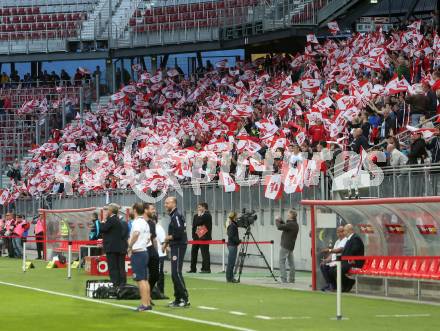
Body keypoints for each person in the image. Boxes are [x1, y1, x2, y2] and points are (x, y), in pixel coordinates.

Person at [163, 197, 190, 308]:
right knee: (174, 273)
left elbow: (179, 232)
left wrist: (168, 237)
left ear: (174, 203)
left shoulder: (176, 215)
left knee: (176, 272)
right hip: (175, 245)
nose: (165, 205)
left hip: (178, 246)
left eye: (167, 203)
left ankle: (184, 298)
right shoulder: (174, 215)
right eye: (165, 203)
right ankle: (178, 298)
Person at [127, 202, 152, 312]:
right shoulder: (145, 222)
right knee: (145, 279)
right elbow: (148, 238)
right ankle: (147, 303)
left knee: (140, 279)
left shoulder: (137, 222)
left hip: (138, 253)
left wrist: (130, 246)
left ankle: (144, 304)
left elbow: (136, 234)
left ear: (135, 210)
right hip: (144, 251)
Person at [330, 224, 365, 292]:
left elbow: (354, 250)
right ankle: (348, 282)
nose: (344, 233)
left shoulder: (355, 238)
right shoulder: (349, 239)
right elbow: (346, 252)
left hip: (355, 262)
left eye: (344, 231)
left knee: (337, 270)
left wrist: (345, 260)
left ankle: (346, 284)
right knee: (332, 270)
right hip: (348, 261)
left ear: (349, 231)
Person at [100, 203, 127, 287]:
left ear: (111, 211)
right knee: (119, 266)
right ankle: (120, 282)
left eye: (107, 210)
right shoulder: (118, 220)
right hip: (118, 247)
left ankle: (115, 282)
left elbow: (103, 229)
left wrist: (103, 221)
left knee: (112, 266)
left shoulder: (111, 220)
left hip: (111, 247)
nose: (106, 211)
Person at [320, 226, 347, 291]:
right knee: (323, 265)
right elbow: (332, 253)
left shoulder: (345, 240)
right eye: (337, 232)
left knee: (331, 269)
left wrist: (329, 250)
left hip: (341, 260)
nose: (338, 234)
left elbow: (339, 250)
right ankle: (329, 284)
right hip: (334, 261)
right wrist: (327, 260)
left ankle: (334, 285)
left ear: (344, 232)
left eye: (340, 232)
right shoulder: (337, 241)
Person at [275, 209, 299, 283]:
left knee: (281, 262)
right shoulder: (294, 224)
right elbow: (285, 226)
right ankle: (292, 279)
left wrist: (277, 220)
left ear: (292, 215)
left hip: (285, 246)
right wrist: (281, 220)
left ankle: (284, 279)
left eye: (288, 214)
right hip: (290, 246)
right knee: (291, 264)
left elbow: (280, 227)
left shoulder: (291, 224)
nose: (287, 215)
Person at [189, 202, 212, 273]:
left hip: (204, 237)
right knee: (193, 252)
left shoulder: (207, 215)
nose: (198, 208)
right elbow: (194, 225)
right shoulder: (196, 215)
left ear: (204, 208)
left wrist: (199, 216)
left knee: (204, 253)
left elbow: (199, 222)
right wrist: (193, 235)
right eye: (198, 207)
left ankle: (206, 268)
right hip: (196, 237)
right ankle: (193, 269)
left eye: (199, 207)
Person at [143, 203, 160, 298]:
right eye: (152, 209)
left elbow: (154, 238)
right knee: (143, 276)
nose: (154, 211)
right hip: (142, 250)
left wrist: (156, 252)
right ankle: (145, 297)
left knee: (155, 275)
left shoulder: (152, 223)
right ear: (146, 210)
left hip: (151, 250)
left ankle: (148, 293)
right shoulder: (139, 222)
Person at [152, 213, 169, 300]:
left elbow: (163, 241)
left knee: (159, 273)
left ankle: (160, 292)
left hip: (160, 254)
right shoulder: (153, 228)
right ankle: (154, 291)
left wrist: (165, 249)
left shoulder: (159, 229)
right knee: (154, 273)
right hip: (154, 254)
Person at [226, 211, 240, 283]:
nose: (237, 217)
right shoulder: (232, 225)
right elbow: (231, 236)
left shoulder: (232, 224)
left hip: (232, 245)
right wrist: (238, 241)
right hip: (232, 245)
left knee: (231, 262)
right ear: (234, 217)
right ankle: (230, 278)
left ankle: (230, 277)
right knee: (231, 262)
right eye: (236, 216)